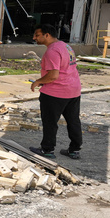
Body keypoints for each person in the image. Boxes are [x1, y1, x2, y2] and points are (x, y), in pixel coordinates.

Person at [29, 23, 82, 159]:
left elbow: (53, 75)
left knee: (50, 122)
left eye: (37, 35)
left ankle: (47, 149)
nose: (34, 38)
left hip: (56, 93)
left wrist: (38, 81)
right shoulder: (66, 46)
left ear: (47, 35)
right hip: (73, 90)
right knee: (73, 121)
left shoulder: (52, 51)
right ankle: (74, 150)